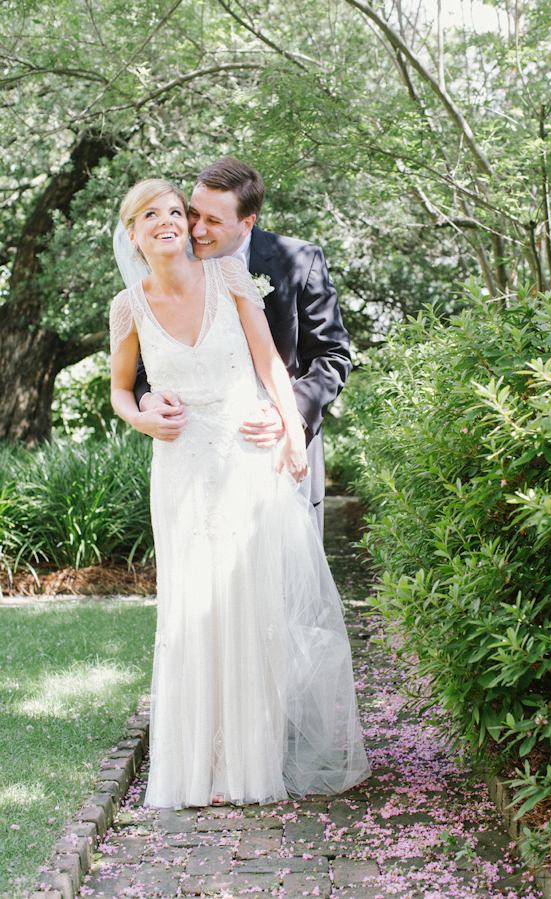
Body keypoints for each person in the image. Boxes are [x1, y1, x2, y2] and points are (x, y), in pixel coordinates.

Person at [109, 178, 370, 809]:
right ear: (133, 232)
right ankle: (197, 763)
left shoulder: (245, 274)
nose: (185, 225)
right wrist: (143, 412)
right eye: (166, 214)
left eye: (189, 214)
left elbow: (291, 364)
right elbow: (126, 386)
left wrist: (289, 432)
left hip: (252, 453)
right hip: (180, 470)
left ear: (246, 221)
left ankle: (259, 759)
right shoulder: (128, 306)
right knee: (190, 610)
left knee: (260, 604)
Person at [134, 157, 352, 535]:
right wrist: (146, 399)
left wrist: (290, 419)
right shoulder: (169, 258)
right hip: (201, 456)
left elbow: (332, 356)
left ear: (247, 223)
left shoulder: (299, 262)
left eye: (214, 221)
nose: (197, 230)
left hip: (281, 447)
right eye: (193, 214)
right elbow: (142, 360)